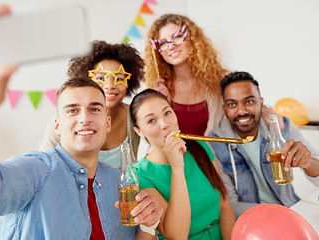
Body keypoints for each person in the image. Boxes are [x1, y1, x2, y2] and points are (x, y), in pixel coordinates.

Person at [0, 5, 163, 239]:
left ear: (107, 123)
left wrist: (149, 225)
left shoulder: (118, 184)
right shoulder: (37, 171)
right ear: (57, 125)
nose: (85, 117)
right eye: (72, 110)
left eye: (94, 109)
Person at [209, 71, 319, 219]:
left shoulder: (282, 126)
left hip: (292, 211)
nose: (241, 111)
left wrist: (308, 162)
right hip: (252, 221)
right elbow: (230, 205)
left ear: (261, 103)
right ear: (224, 109)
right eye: (232, 104)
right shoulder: (215, 143)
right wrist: (278, 214)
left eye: (249, 102)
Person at [129, 89, 235, 239]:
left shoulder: (200, 146)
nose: (164, 124)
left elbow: (224, 206)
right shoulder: (139, 175)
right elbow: (177, 235)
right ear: (139, 131)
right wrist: (177, 168)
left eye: (167, 113)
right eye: (151, 120)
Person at [40, 40, 143, 167]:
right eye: (100, 78)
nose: (110, 85)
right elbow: (44, 164)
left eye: (119, 79)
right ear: (86, 80)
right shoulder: (64, 122)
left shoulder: (136, 117)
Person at [145, 13, 228, 136]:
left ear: (193, 39)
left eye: (178, 36)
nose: (171, 46)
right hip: (173, 155)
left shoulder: (219, 81)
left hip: (212, 155)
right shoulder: (154, 89)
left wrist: (265, 111)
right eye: (162, 43)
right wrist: (160, 104)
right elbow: (150, 137)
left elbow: (246, 104)